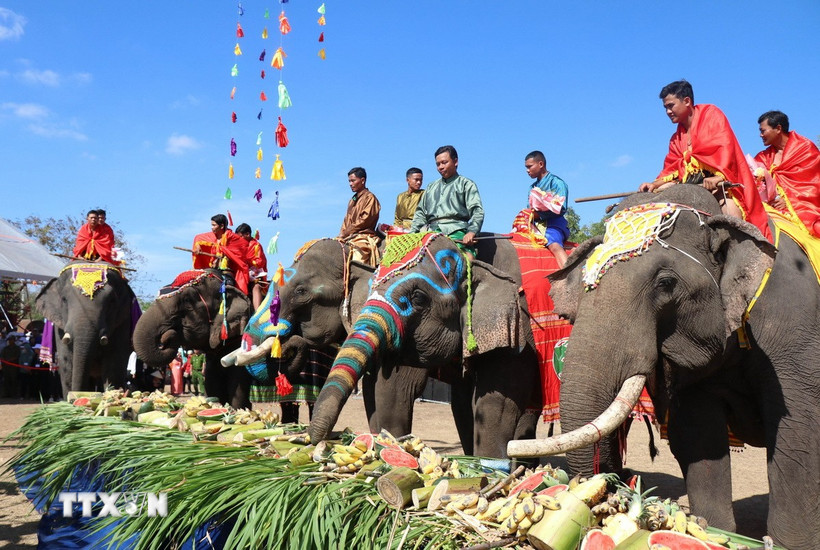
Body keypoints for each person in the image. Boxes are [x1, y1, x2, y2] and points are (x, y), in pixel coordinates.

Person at [639, 80, 770, 241]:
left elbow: (726, 150)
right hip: (690, 186)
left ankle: (742, 251)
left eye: (671, 105)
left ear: (687, 101)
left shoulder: (711, 115)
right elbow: (673, 168)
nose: (667, 111)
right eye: (665, 107)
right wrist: (654, 184)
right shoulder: (676, 137)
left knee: (731, 217)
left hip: (722, 185)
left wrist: (719, 177)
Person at [753, 110, 820, 237]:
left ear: (778, 128)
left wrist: (788, 202)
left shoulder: (805, 150)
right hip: (771, 209)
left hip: (804, 210)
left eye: (763, 131)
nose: (760, 135)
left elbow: (814, 187)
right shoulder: (762, 157)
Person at [410, 145, 485, 257]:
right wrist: (412, 235)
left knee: (466, 260)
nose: (440, 167)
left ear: (455, 162)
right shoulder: (431, 187)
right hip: (430, 233)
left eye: (444, 162)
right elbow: (420, 213)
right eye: (438, 164)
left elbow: (477, 211)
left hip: (457, 232)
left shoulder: (466, 184)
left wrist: (472, 232)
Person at [525, 151, 570, 268]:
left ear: (540, 164)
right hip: (534, 226)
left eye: (530, 166)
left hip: (553, 225)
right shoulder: (532, 187)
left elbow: (561, 209)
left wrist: (539, 215)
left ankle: (569, 278)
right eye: (526, 167)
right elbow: (529, 208)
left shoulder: (557, 183)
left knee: (554, 245)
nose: (527, 170)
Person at [192, 214, 250, 294]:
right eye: (211, 225)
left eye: (214, 225)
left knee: (229, 286)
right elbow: (198, 237)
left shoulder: (232, 237)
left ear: (222, 226)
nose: (211, 227)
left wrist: (224, 253)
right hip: (212, 269)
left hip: (226, 270)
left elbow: (243, 245)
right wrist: (197, 247)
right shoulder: (210, 236)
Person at [338, 167, 382, 265]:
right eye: (349, 181)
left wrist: (346, 232)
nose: (350, 184)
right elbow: (346, 220)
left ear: (362, 180)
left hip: (363, 237)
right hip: (348, 236)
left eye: (353, 181)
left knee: (358, 260)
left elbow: (364, 220)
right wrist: (341, 235)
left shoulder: (370, 198)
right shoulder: (352, 200)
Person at [236, 223, 269, 310]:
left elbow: (260, 262)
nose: (239, 240)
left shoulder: (256, 245)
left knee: (256, 286)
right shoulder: (238, 245)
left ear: (247, 234)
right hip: (242, 273)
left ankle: (257, 312)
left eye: (240, 237)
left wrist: (246, 261)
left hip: (255, 273)